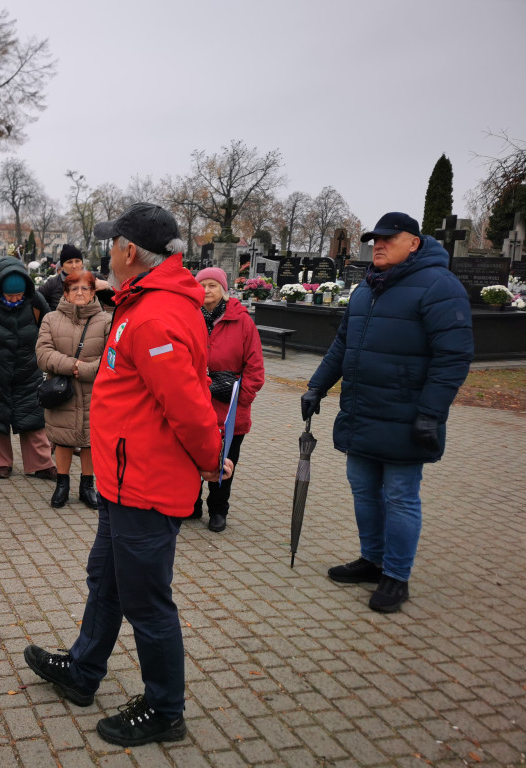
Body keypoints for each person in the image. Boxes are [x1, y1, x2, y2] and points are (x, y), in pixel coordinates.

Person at [23, 203, 230, 747]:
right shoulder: (141, 303)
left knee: (146, 602)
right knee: (107, 583)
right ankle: (85, 672)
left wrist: (212, 459)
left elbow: (187, 404)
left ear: (129, 251)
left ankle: (165, 708)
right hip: (122, 476)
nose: (105, 254)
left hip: (147, 481)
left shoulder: (157, 313)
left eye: (111, 244)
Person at [303, 212, 473, 613]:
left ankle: (396, 576)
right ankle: (372, 560)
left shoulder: (439, 286)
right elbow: (343, 345)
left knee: (399, 496)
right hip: (363, 411)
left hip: (407, 416)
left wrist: (431, 412)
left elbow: (454, 357)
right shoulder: (368, 288)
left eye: (388, 238)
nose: (377, 244)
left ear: (414, 242)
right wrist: (316, 385)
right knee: (364, 491)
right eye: (374, 239)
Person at [0, 257, 57, 480]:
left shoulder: (35, 300)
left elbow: (49, 324)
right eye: (10, 295)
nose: (15, 298)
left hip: (29, 369)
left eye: (18, 295)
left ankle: (41, 464)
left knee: (34, 418)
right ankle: (1, 463)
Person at [190, 266, 265, 532]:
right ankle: (191, 503)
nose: (207, 290)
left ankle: (219, 509)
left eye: (213, 285)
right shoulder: (189, 317)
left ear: (223, 290)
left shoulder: (242, 321)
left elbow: (255, 367)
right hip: (196, 405)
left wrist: (239, 397)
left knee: (225, 461)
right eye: (203, 285)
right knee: (192, 456)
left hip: (230, 408)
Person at [35, 269, 112, 509]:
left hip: (95, 391)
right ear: (66, 294)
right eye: (74, 288)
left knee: (90, 440)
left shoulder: (107, 320)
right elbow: (43, 353)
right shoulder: (50, 319)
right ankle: (62, 484)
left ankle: (87, 486)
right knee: (63, 438)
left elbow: (113, 355)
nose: (80, 292)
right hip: (62, 391)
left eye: (85, 288)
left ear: (93, 293)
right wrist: (74, 366)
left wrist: (88, 371)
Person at [38, 243, 84, 312]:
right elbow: (34, 298)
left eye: (77, 261)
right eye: (69, 262)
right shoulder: (53, 283)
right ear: (62, 266)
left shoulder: (93, 280)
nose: (74, 266)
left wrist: (105, 285)